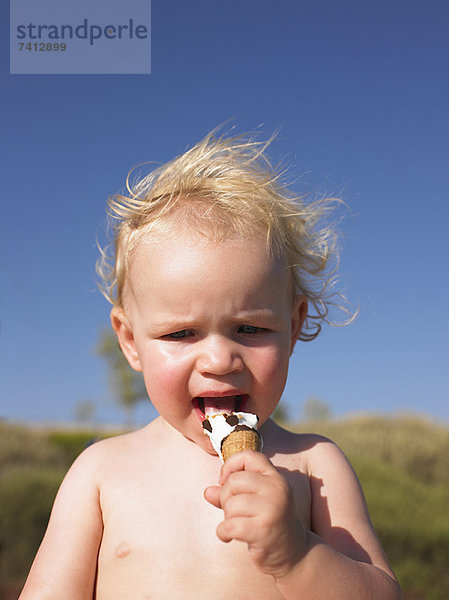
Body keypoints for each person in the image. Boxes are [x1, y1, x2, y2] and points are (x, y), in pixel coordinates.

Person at [19, 129, 402, 599]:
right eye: (181, 333)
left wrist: (298, 555)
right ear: (130, 341)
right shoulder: (100, 471)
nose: (220, 360)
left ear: (294, 323)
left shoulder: (313, 466)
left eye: (251, 329)